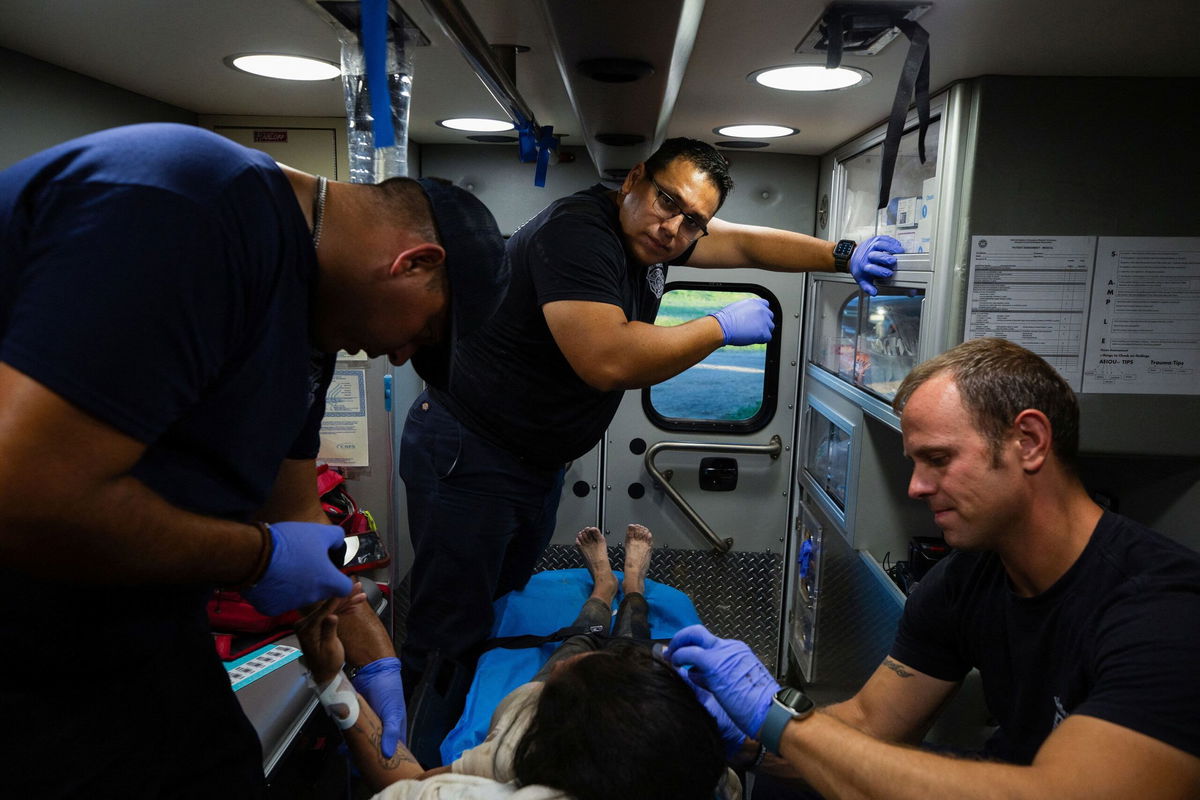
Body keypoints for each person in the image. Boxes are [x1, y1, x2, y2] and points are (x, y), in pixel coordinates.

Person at [0, 122, 505, 797]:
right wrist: (259, 558)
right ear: (413, 262)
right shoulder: (190, 206)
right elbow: (30, 497)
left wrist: (369, 650)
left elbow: (292, 506)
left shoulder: (310, 320)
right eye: (425, 333)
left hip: (128, 607)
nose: (404, 354)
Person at [399, 136, 906, 689]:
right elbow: (608, 360)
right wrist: (718, 328)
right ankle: (420, 763)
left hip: (530, 466)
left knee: (498, 611)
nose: (674, 229)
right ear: (634, 178)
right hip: (471, 454)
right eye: (668, 201)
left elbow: (747, 245)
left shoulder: (653, 237)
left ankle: (475, 727)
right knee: (448, 632)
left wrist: (842, 254)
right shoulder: (580, 233)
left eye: (693, 222)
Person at [668, 337, 1200, 799]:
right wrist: (750, 740)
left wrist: (781, 718)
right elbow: (872, 725)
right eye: (914, 463)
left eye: (939, 459)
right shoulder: (968, 579)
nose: (916, 488)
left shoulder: (1164, 612)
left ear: (1030, 442)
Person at [295, 524, 733, 800]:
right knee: (631, 642)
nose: (559, 668)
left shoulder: (517, 751)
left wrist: (332, 677)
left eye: (562, 679)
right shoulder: (702, 773)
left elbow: (406, 780)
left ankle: (603, 590)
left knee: (581, 638)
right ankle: (625, 584)